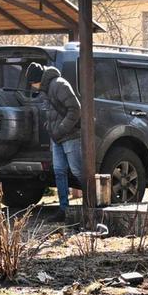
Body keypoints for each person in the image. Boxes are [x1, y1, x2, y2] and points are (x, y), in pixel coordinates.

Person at [40, 64, 83, 221]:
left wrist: (60, 130)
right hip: (57, 137)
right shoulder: (45, 88)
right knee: (59, 172)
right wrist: (50, 128)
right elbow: (50, 113)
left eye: (32, 83)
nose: (32, 87)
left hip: (70, 136)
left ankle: (92, 206)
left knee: (78, 171)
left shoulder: (59, 85)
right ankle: (63, 209)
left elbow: (75, 109)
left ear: (38, 79)